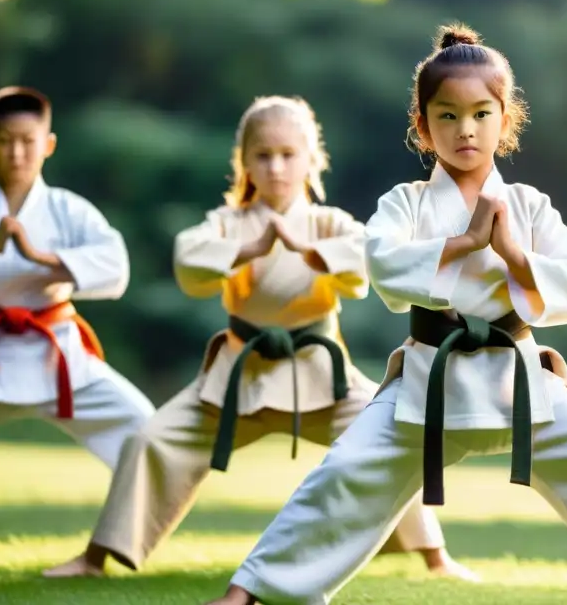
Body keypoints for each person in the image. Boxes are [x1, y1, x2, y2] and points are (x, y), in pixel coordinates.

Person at [202, 27, 567, 605]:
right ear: (423, 126)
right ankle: (246, 592)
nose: (464, 129)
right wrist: (465, 244)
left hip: (519, 380)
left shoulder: (529, 206)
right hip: (429, 381)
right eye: (446, 116)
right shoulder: (406, 203)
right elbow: (384, 266)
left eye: (479, 113)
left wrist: (512, 253)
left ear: (505, 118)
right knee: (346, 471)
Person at [43, 95, 474, 581]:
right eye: (263, 155)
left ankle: (434, 555)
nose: (276, 167)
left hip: (320, 373)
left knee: (391, 433)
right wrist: (252, 247)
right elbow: (190, 259)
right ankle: (96, 557)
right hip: (238, 373)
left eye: (289, 154)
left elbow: (364, 260)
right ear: (244, 162)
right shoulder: (229, 224)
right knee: (153, 439)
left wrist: (311, 253)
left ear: (312, 159)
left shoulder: (328, 223)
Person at [0, 86, 154, 466]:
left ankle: (126, 528)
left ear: (49, 144)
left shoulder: (70, 210)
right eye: (4, 141)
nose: (16, 153)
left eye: (28, 141)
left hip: (59, 353)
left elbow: (115, 266)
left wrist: (40, 258)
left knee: (147, 433)